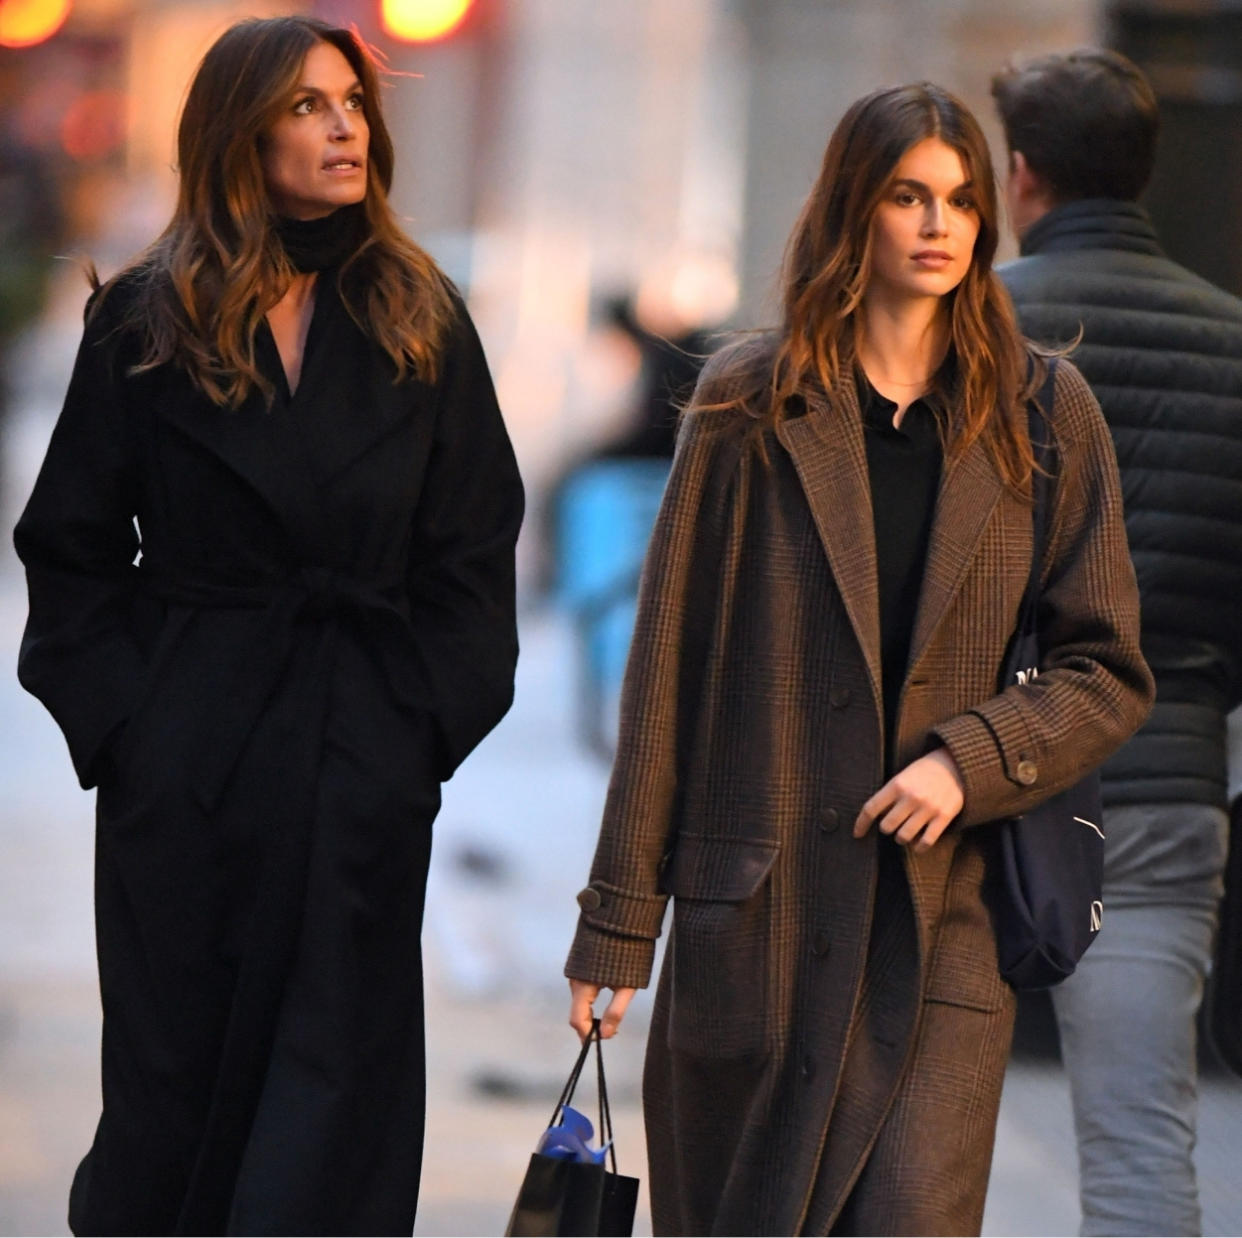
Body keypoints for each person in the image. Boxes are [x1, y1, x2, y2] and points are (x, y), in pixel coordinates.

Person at [562, 82, 1153, 1236]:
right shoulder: (747, 402)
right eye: (907, 195)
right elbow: (664, 677)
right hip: (759, 916)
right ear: (854, 209)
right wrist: (618, 924)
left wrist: (968, 760)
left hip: (944, 924)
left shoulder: (1041, 411)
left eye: (963, 199)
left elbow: (1106, 664)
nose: (939, 224)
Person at [13, 16, 523, 1236]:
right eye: (306, 105)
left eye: (352, 101)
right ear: (241, 132)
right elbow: (70, 547)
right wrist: (136, 727)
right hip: (188, 766)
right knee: (168, 1098)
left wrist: (413, 738)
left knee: (334, 1102)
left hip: (357, 764)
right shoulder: (144, 319)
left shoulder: (420, 316)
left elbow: (472, 551)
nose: (344, 125)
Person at [992, 48, 1242, 1237]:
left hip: (971, 777)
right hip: (1161, 784)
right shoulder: (1235, 347)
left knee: (899, 1134)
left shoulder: (973, 328)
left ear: (1022, 174)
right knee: (1144, 1149)